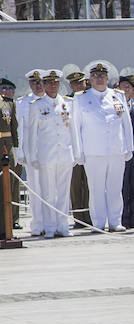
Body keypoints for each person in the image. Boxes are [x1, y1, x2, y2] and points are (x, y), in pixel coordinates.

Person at [72, 63, 134, 232]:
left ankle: (115, 221)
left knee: (115, 188)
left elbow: (126, 124)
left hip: (116, 149)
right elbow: (75, 127)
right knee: (96, 189)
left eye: (102, 75)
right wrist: (79, 152)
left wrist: (129, 147)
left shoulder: (117, 96)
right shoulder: (80, 98)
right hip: (93, 151)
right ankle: (99, 222)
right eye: (95, 76)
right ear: (90, 79)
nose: (99, 78)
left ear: (107, 78)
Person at [25, 70, 78, 238]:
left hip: (64, 154)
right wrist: (32, 156)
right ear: (45, 85)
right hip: (46, 155)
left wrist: (76, 152)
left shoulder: (67, 103)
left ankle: (63, 226)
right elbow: (32, 133)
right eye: (49, 83)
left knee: (63, 192)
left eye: (56, 83)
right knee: (48, 192)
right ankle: (49, 227)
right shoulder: (36, 105)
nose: (53, 86)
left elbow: (74, 131)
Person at [17, 69, 45, 236]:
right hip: (32, 152)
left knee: (53, 190)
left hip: (50, 151)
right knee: (35, 190)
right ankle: (38, 224)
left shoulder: (51, 101)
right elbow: (20, 129)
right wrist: (20, 152)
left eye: (40, 81)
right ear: (30, 84)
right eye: (34, 82)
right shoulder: (23, 103)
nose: (38, 85)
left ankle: (52, 222)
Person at [65, 71, 92, 230]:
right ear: (70, 86)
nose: (78, 86)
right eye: (75, 83)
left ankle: (90, 216)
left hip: (89, 147)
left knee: (89, 184)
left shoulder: (89, 99)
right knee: (75, 184)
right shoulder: (67, 101)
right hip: (73, 148)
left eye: (80, 82)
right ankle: (78, 217)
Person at [118, 75, 134, 229]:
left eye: (129, 87)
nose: (127, 89)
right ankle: (122, 217)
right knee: (122, 186)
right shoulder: (115, 104)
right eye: (124, 86)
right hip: (121, 151)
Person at [0, 79, 19, 239]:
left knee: (9, 186)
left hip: (6, 146)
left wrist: (16, 148)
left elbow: (14, 129)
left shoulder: (9, 104)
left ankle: (7, 226)